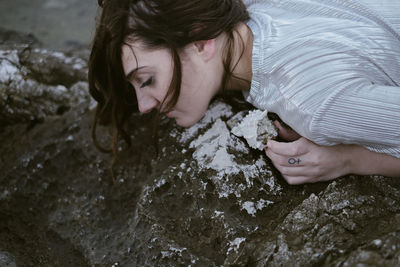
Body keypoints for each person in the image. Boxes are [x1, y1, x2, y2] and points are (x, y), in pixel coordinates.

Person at [88, 0, 400, 184]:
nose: (143, 106)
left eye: (147, 80)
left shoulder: (312, 105)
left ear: (200, 40)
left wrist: (349, 159)